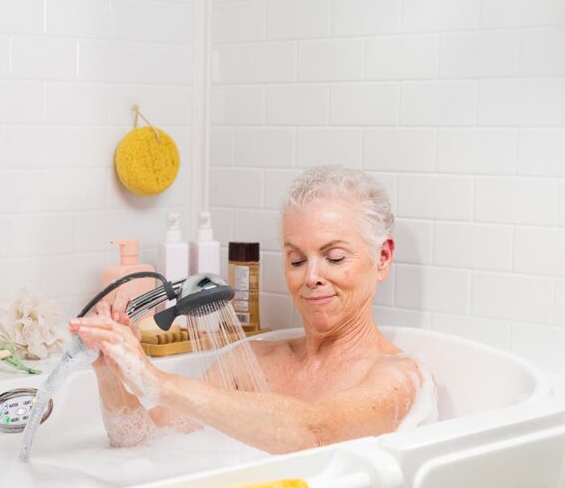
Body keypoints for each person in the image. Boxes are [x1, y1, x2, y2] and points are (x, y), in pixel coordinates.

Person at [69, 165, 437, 454]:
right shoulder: (252, 363)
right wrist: (111, 372)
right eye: (296, 260)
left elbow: (315, 432)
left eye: (334, 257)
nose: (311, 277)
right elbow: (143, 438)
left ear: (383, 258)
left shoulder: (399, 378)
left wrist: (158, 381)